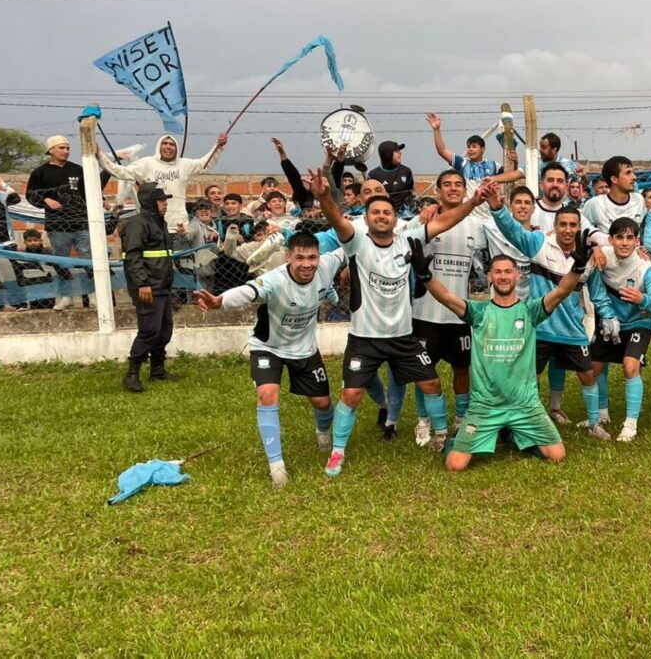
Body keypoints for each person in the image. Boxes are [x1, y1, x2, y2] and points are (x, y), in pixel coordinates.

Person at [307, 168, 495, 475]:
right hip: (364, 338)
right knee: (352, 394)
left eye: (387, 212)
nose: (382, 216)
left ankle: (442, 434)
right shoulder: (356, 242)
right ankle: (338, 451)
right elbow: (337, 219)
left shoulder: (408, 240)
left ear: (396, 218)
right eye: (376, 212)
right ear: (366, 218)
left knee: (432, 383)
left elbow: (444, 221)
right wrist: (325, 196)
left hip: (403, 337)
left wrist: (473, 203)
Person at [194, 233, 346, 489]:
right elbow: (249, 291)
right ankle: (277, 467)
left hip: (305, 349)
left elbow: (354, 240)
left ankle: (322, 433)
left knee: (322, 403)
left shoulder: (328, 265)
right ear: (288, 257)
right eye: (300, 258)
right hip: (268, 347)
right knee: (267, 395)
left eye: (312, 257)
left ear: (319, 257)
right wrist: (220, 301)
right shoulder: (275, 280)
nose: (307, 264)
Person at [417, 245, 585, 471]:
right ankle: (456, 440)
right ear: (489, 277)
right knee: (455, 465)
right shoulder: (479, 312)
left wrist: (578, 267)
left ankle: (514, 436)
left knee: (557, 455)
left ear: (517, 275)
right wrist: (426, 276)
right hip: (486, 405)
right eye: (498, 272)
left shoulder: (530, 311)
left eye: (508, 271)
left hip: (525, 405)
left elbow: (562, 291)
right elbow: (446, 297)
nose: (503, 276)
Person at [487, 189, 604, 437]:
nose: (567, 229)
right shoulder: (539, 243)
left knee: (587, 374)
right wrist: (498, 208)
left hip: (573, 329)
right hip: (540, 328)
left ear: (579, 227)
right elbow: (512, 230)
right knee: (531, 377)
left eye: (573, 225)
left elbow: (597, 292)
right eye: (563, 224)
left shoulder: (589, 257)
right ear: (555, 224)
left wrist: (609, 316)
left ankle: (595, 424)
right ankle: (529, 420)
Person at [409, 169, 488, 445]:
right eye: (447, 185)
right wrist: (428, 210)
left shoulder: (476, 226)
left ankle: (461, 418)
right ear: (438, 191)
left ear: (464, 190)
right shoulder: (424, 222)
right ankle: (424, 420)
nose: (453, 188)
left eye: (458, 184)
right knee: (423, 371)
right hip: (424, 314)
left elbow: (482, 265)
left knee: (462, 369)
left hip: (459, 314)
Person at [586, 217, 651, 442]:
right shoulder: (601, 258)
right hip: (611, 320)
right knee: (594, 366)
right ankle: (602, 413)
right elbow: (597, 291)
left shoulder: (645, 267)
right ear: (611, 239)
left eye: (630, 237)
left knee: (630, 366)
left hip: (640, 322)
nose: (624, 242)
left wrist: (643, 299)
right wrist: (608, 316)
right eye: (619, 237)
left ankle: (630, 424)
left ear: (637, 241)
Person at [26, 135, 112, 310]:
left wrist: (100, 199)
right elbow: (30, 194)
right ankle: (66, 296)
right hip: (57, 225)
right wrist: (45, 201)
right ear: (51, 150)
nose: (65, 151)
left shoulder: (78, 170)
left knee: (89, 260)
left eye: (67, 148)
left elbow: (89, 189)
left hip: (82, 223)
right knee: (61, 262)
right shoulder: (40, 172)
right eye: (61, 148)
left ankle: (93, 295)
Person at [95, 133, 228, 231]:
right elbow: (121, 172)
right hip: (154, 227)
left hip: (179, 227)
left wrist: (218, 146)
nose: (168, 147)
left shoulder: (184, 164)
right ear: (159, 146)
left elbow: (205, 163)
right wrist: (101, 156)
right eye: (165, 143)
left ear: (176, 148)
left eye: (172, 144)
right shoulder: (147, 163)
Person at [120, 183, 178, 393]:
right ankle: (131, 374)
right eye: (161, 200)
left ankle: (158, 371)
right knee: (149, 331)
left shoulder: (159, 222)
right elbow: (132, 256)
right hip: (147, 287)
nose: (165, 204)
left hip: (162, 286)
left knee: (164, 330)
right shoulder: (138, 224)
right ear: (150, 202)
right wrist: (142, 283)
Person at [480, 185, 536, 299]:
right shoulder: (493, 229)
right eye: (518, 202)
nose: (523, 206)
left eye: (527, 203)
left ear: (533, 209)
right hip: (500, 308)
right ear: (510, 207)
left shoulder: (539, 239)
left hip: (528, 308)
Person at [581, 156, 648, 244]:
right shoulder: (594, 204)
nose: (634, 177)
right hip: (606, 255)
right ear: (614, 179)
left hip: (635, 254)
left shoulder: (639, 200)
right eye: (628, 173)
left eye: (633, 172)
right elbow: (583, 231)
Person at [428, 112, 510, 182]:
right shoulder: (462, 163)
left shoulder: (494, 165)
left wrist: (515, 162)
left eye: (474, 146)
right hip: (468, 201)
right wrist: (436, 130)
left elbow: (510, 175)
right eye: (468, 147)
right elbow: (442, 151)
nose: (470, 149)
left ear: (483, 149)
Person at [366, 140, 416, 215]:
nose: (400, 153)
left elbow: (412, 193)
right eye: (396, 151)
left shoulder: (406, 171)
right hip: (383, 214)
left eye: (399, 150)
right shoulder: (373, 175)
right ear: (387, 154)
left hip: (405, 215)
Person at [531, 162, 569, 231]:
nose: (555, 185)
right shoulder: (528, 211)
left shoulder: (572, 214)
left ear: (566, 187)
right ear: (541, 185)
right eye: (550, 180)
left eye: (560, 181)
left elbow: (591, 231)